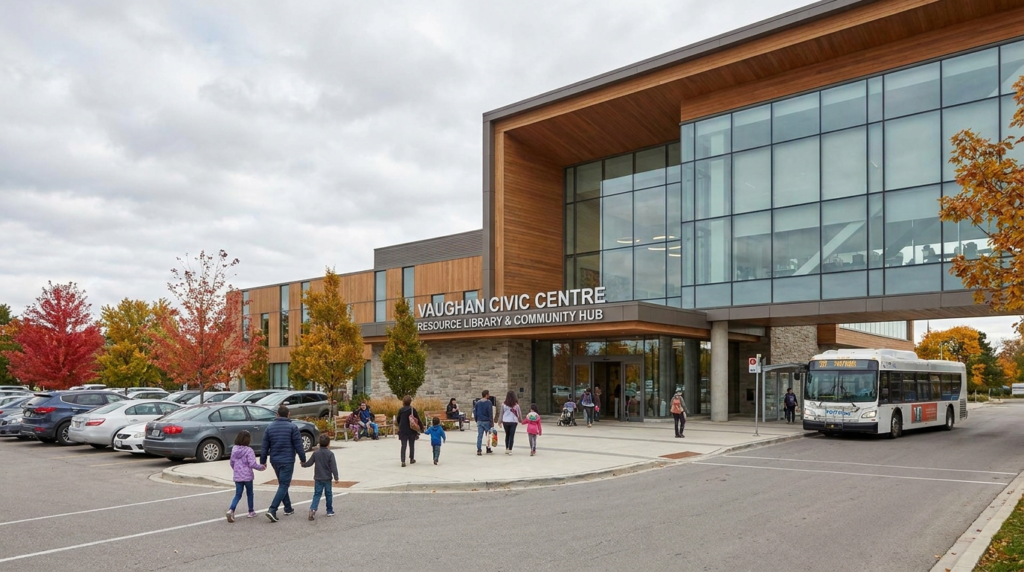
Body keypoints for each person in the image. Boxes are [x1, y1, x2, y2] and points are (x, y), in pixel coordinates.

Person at [261, 404, 307, 522]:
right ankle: (272, 509)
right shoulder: (292, 427)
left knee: (282, 483)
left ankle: (288, 508)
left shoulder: (269, 427)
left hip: (275, 460)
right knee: (284, 485)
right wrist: (303, 459)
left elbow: (265, 446)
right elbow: (298, 445)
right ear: (288, 414)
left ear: (277, 415)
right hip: (287, 460)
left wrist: (263, 461)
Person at [226, 430, 265, 522]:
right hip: (247, 476)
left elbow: (231, 462)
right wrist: (261, 467)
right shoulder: (249, 450)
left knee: (238, 494)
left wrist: (235, 469)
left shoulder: (234, 449)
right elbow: (252, 463)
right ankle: (251, 511)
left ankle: (231, 509)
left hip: (237, 476)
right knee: (250, 493)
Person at [301, 434, 338, 520]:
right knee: (328, 494)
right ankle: (329, 510)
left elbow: (309, 463)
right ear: (328, 444)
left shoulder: (316, 453)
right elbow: (333, 467)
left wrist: (303, 464)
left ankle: (313, 509)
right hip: (327, 478)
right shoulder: (330, 454)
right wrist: (336, 477)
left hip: (318, 478)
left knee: (317, 494)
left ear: (319, 444)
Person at [396, 395, 421, 467]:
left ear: (403, 402)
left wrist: (399, 425)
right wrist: (421, 428)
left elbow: (398, 419)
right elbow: (418, 419)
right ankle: (411, 458)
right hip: (411, 430)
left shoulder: (401, 410)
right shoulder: (413, 409)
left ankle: (403, 461)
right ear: (410, 402)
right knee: (411, 445)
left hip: (403, 430)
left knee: (403, 446)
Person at [499, 390, 522, 454]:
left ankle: (507, 448)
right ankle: (510, 449)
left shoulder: (503, 405)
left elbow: (501, 414)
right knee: (512, 435)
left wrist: (499, 422)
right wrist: (520, 420)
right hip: (513, 422)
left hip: (505, 421)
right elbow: (519, 414)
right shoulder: (516, 405)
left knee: (507, 435)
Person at [474, 389, 494, 455]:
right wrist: (492, 422)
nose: (489, 395)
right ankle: (488, 448)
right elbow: (490, 413)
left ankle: (479, 449)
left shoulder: (477, 402)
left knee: (480, 436)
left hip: (479, 421)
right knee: (488, 435)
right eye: (488, 394)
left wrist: (476, 419)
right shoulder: (489, 402)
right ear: (486, 395)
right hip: (486, 421)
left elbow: (475, 412)